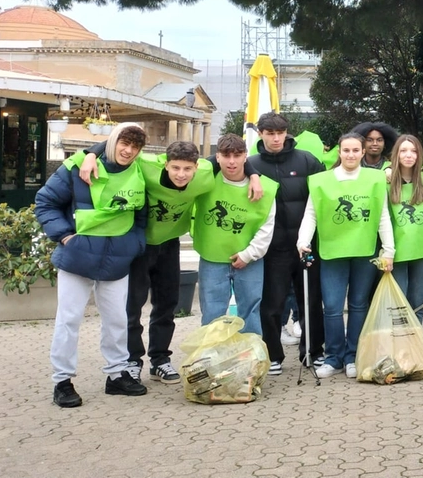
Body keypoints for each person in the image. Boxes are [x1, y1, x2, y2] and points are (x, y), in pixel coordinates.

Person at [75, 139, 264, 385]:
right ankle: (133, 360)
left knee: (167, 305)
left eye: (187, 169)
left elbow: (233, 158)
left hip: (170, 243)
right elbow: (118, 143)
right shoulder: (147, 164)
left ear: (197, 167)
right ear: (165, 164)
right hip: (139, 245)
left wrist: (255, 175)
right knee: (132, 306)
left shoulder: (205, 171)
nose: (181, 174)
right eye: (175, 168)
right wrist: (91, 155)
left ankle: (160, 360)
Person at [36, 123, 150, 408]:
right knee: (69, 319)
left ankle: (116, 375)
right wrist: (63, 236)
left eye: (135, 146)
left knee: (117, 320)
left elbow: (141, 215)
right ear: (112, 141)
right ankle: (62, 381)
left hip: (117, 258)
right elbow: (45, 201)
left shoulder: (140, 171)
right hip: (77, 256)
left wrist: (135, 244)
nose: (128, 150)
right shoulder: (77, 167)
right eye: (124, 142)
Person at [297, 132, 391, 379]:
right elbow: (311, 214)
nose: (350, 154)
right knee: (333, 307)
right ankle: (333, 357)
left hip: (364, 251)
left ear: (362, 152)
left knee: (359, 305)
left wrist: (389, 249)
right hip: (332, 251)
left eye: (355, 150)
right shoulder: (320, 180)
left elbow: (383, 216)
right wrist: (303, 240)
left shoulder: (376, 178)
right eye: (346, 150)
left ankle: (353, 356)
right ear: (339, 152)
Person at [246, 112, 326, 375]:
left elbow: (324, 196)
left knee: (311, 302)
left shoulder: (306, 160)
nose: (276, 138)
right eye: (270, 133)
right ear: (260, 134)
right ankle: (274, 356)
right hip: (273, 249)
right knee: (272, 305)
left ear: (287, 133)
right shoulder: (252, 164)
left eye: (280, 133)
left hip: (306, 247)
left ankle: (313, 352)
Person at [192, 134, 278, 334]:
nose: (232, 161)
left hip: (250, 260)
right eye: (226, 155)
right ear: (218, 157)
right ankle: (212, 354)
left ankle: (251, 357)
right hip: (212, 257)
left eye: (237, 155)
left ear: (245, 157)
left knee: (250, 310)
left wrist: (249, 254)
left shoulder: (265, 188)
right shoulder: (205, 179)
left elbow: (267, 226)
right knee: (212, 311)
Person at [388, 135, 423, 328]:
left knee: (417, 298)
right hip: (396, 251)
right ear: (396, 154)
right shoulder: (386, 182)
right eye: (403, 151)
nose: (408, 155)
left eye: (413, 151)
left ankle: (416, 338)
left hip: (420, 250)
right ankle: (400, 339)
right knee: (398, 299)